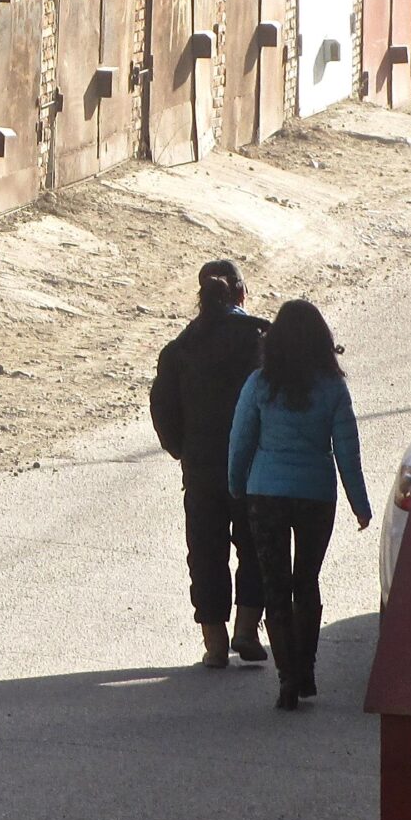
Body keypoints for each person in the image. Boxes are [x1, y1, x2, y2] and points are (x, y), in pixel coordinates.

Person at [228, 299, 371, 709]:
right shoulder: (331, 387)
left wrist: (237, 484)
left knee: (275, 587)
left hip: (266, 495)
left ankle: (287, 678)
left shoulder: (259, 383)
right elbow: (347, 449)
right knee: (306, 582)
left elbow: (241, 440)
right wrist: (359, 502)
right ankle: (306, 667)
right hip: (314, 496)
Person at [150, 260, 271, 669]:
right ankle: (247, 629)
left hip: (202, 467)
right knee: (255, 545)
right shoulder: (260, 338)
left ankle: (215, 642)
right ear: (241, 293)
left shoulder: (180, 348)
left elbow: (163, 409)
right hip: (255, 461)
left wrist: (182, 450)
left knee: (205, 549)